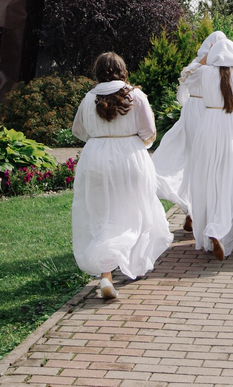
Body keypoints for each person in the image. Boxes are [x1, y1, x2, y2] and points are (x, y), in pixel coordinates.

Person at [72, 53, 173, 300]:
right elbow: (149, 131)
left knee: (101, 214)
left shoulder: (89, 98)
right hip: (130, 157)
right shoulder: (136, 96)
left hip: (96, 158)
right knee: (135, 209)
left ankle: (106, 274)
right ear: (122, 70)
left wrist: (100, 138)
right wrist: (133, 140)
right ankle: (133, 263)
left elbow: (78, 130)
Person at [185, 39, 233, 261]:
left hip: (208, 128)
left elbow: (186, 77)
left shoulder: (205, 72)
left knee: (210, 180)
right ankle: (219, 229)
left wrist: (205, 58)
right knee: (232, 180)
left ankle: (211, 228)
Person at [152, 31, 226, 232]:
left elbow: (182, 93)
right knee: (197, 162)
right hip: (203, 113)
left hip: (203, 111)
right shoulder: (200, 66)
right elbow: (185, 81)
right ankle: (196, 211)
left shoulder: (211, 68)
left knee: (204, 163)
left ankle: (197, 212)